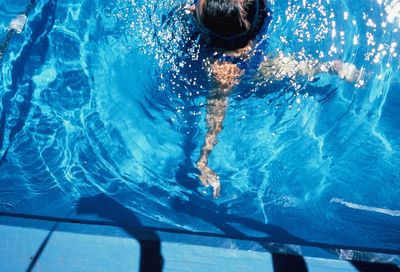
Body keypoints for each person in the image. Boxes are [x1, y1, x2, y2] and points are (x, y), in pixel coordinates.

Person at [187, 0, 363, 198]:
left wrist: (203, 160)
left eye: (198, 9)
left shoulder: (225, 71)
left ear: (209, 29)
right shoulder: (251, 8)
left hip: (244, 63)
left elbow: (216, 109)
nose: (194, 6)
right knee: (282, 67)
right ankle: (328, 66)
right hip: (251, 39)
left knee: (268, 70)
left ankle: (325, 67)